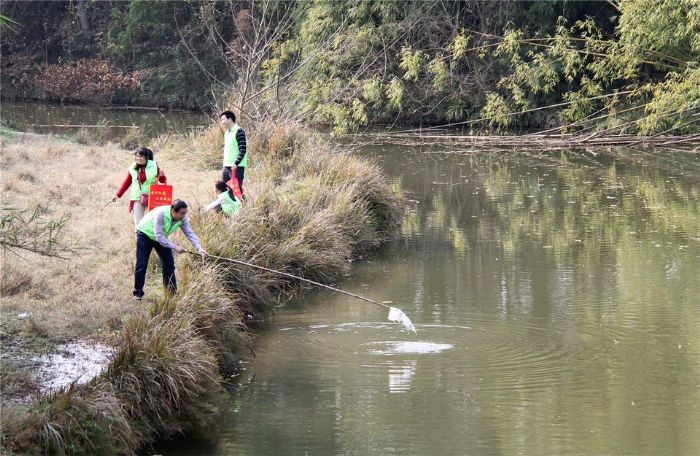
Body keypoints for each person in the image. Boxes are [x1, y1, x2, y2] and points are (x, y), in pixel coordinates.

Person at [133, 199, 207, 301]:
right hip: (145, 234)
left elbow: (189, 233)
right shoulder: (160, 214)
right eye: (181, 213)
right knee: (142, 264)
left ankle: (171, 295)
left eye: (185, 213)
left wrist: (199, 248)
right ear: (173, 211)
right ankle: (138, 293)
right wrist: (175, 247)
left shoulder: (183, 218)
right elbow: (158, 237)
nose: (184, 215)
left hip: (162, 238)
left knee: (169, 265)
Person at [113, 147, 166, 227]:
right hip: (137, 197)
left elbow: (161, 181)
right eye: (137, 156)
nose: (138, 158)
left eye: (141, 156)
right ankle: (139, 239)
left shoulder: (154, 165)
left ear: (146, 157)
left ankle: (153, 239)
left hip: (152, 197)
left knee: (155, 221)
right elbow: (127, 182)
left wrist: (162, 176)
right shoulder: (133, 167)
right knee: (138, 223)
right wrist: (118, 195)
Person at [219, 110, 247, 198]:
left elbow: (242, 149)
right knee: (224, 188)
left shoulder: (239, 131)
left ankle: (243, 207)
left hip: (236, 167)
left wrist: (236, 163)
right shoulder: (227, 133)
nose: (222, 122)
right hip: (226, 166)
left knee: (237, 189)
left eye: (223, 119)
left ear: (230, 119)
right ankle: (226, 207)